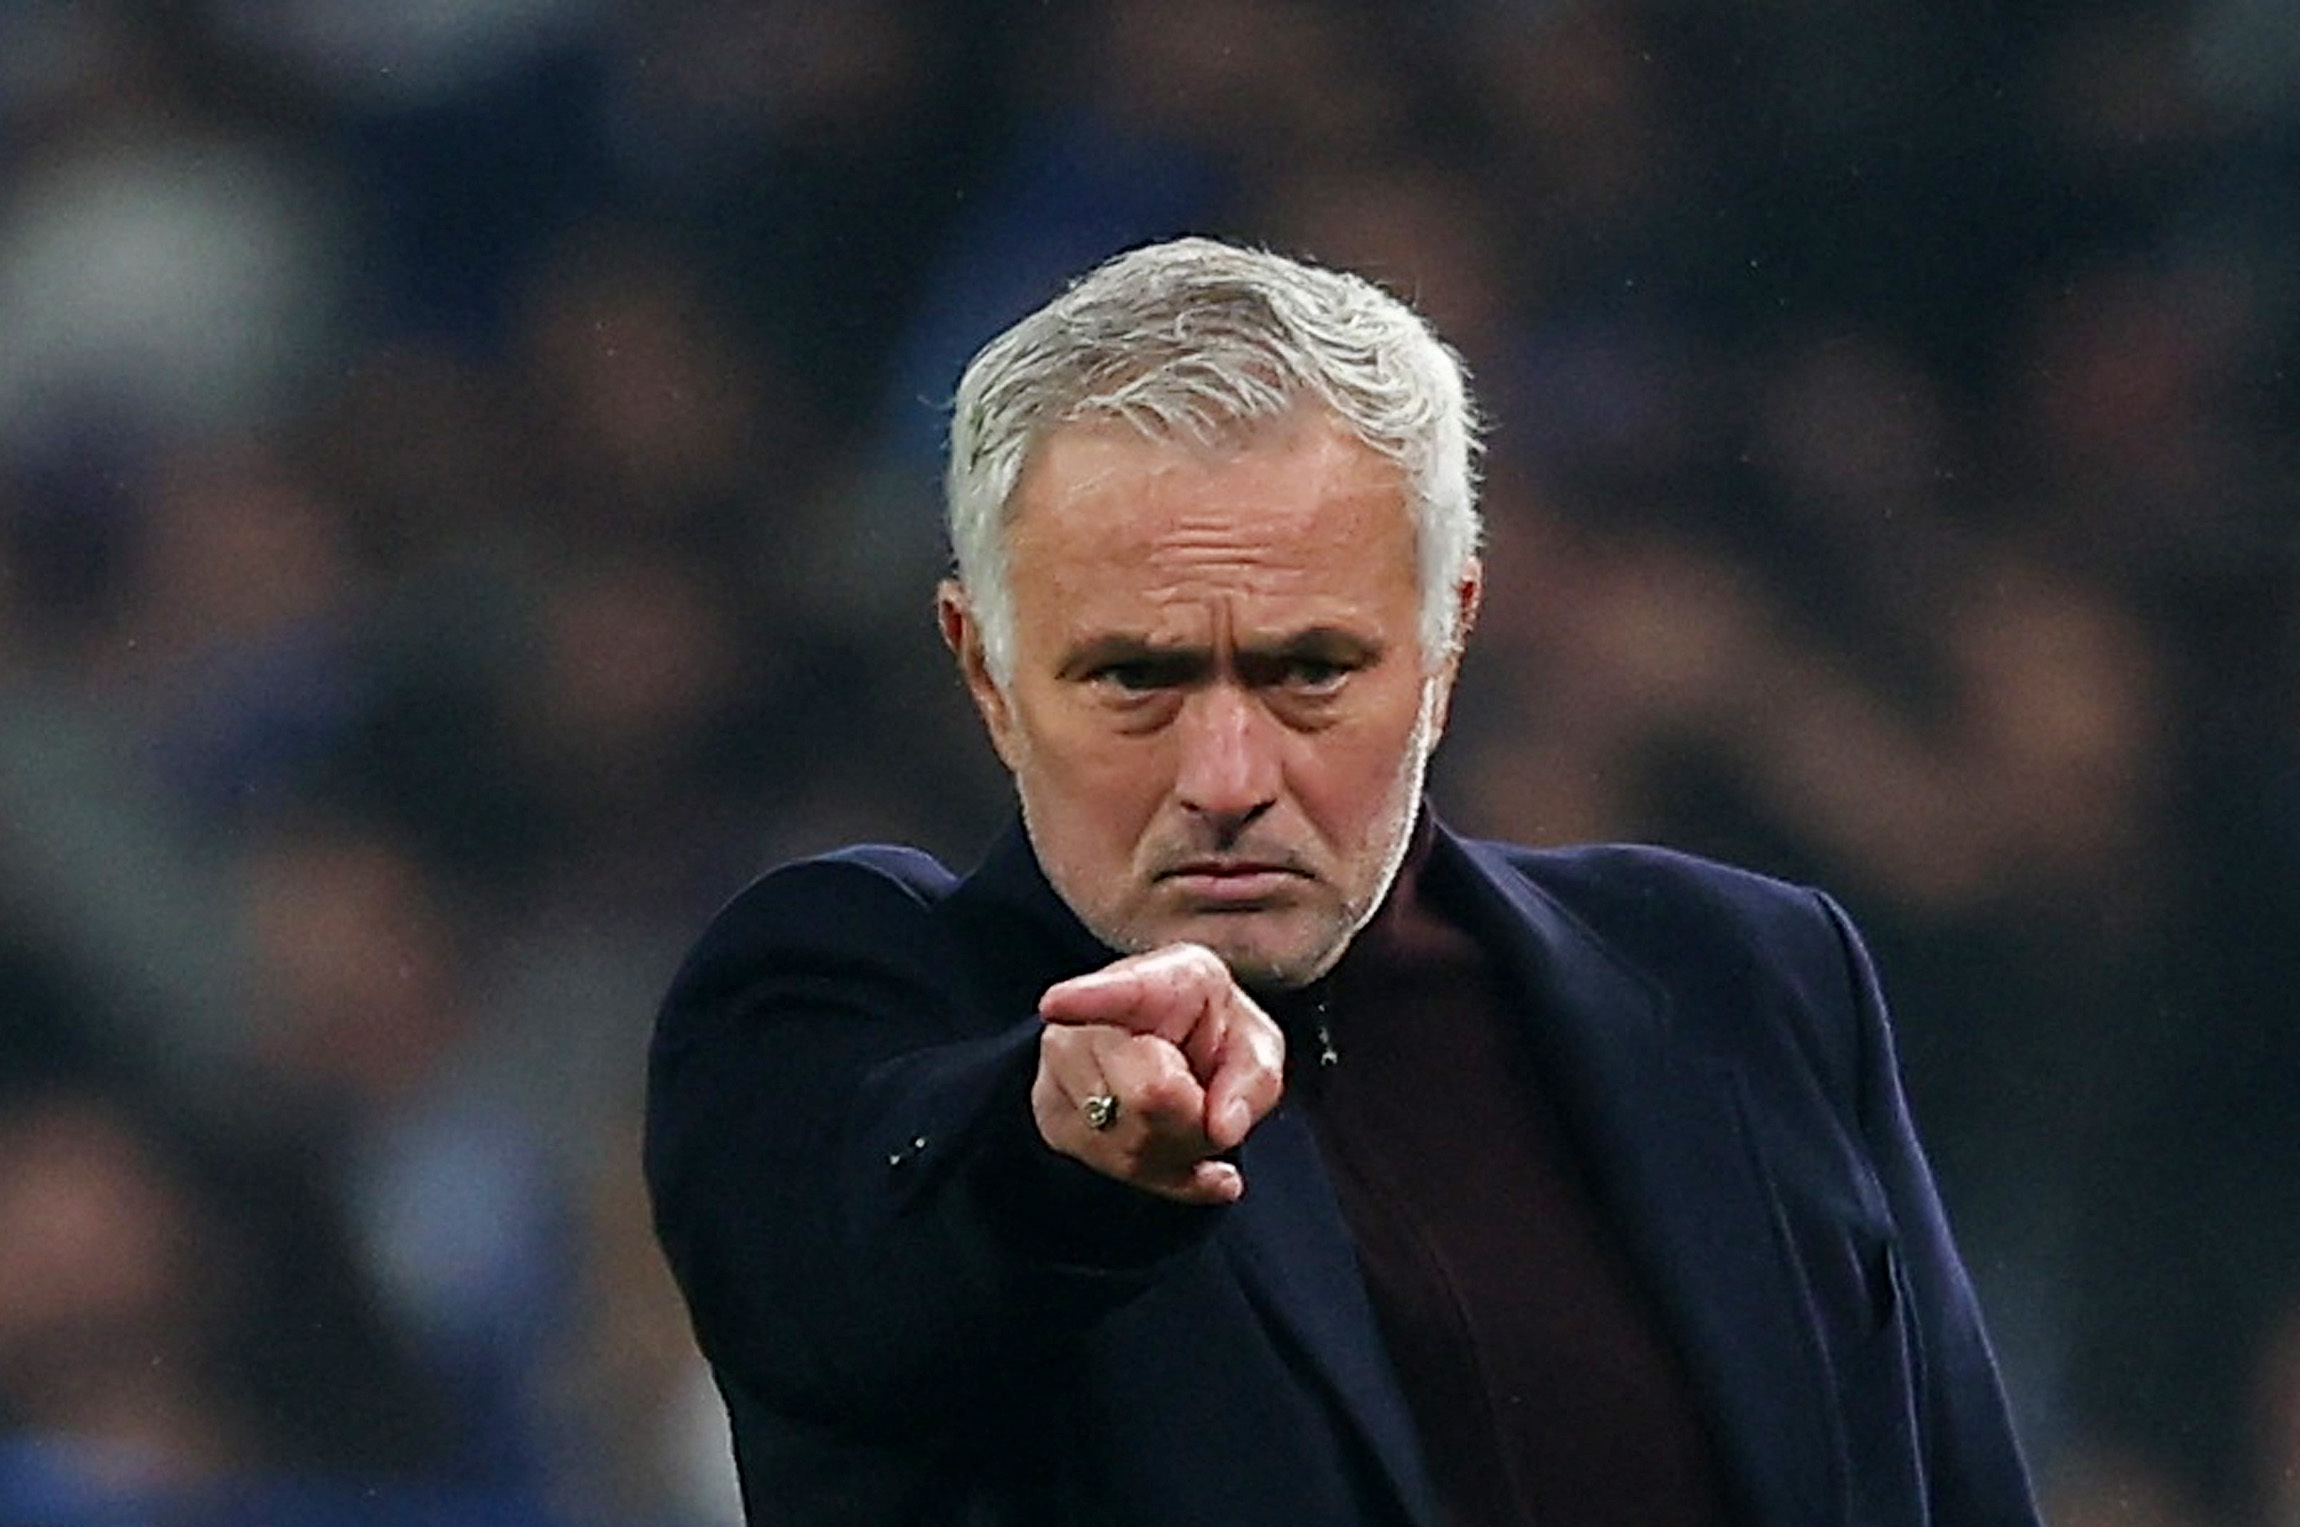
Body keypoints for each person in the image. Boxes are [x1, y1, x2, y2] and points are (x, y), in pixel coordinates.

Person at [644, 237, 2041, 1526]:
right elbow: (838, 1268)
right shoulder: (858, 1000)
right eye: (1138, 676)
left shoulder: (1749, 979)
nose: (1228, 773)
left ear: (1447, 645)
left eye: (1311, 669)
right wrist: (1056, 1157)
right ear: (987, 674)